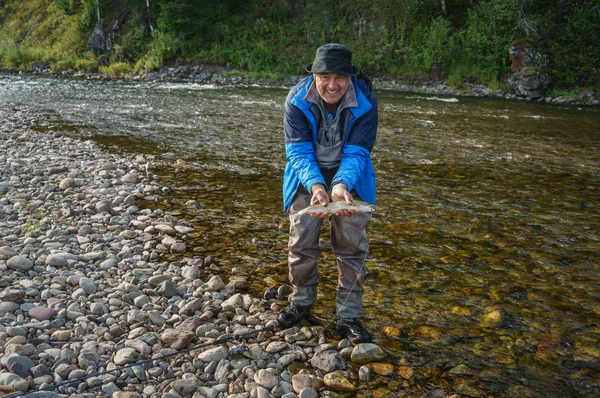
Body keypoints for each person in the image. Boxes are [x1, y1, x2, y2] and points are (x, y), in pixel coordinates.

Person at [278, 43, 378, 343]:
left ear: (350, 78)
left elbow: (358, 152)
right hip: (306, 176)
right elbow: (298, 152)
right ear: (314, 75)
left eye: (340, 78)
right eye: (325, 77)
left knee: (352, 246)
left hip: (350, 180)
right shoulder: (296, 100)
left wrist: (340, 185)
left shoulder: (367, 102)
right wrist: (317, 186)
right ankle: (302, 302)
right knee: (302, 241)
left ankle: (348, 316)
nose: (332, 85)